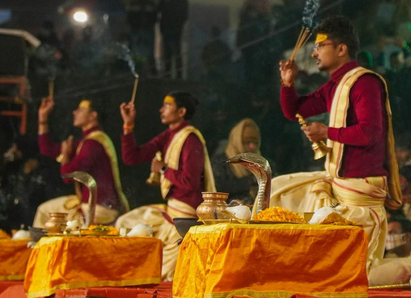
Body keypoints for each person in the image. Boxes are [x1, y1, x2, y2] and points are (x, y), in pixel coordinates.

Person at [272, 15, 401, 265]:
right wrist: (287, 83)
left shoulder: (365, 82)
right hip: (340, 186)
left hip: (359, 193)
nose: (314, 53)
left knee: (356, 274)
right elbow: (294, 110)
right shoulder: (335, 85)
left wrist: (326, 132)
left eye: (320, 46)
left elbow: (370, 133)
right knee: (279, 190)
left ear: (341, 49)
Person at [116, 91, 215, 279]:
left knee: (165, 275)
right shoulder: (168, 136)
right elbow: (132, 157)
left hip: (185, 218)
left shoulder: (190, 139)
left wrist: (163, 169)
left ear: (181, 112)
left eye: (167, 105)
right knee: (124, 223)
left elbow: (190, 183)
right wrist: (128, 124)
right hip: (170, 213)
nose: (161, 110)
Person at [33, 98, 128, 227]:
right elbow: (47, 149)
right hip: (89, 205)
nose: (74, 112)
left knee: (44, 211)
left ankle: (41, 247)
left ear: (93, 115)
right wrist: (43, 118)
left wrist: (66, 156)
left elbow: (68, 176)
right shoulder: (86, 142)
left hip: (100, 209)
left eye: (80, 110)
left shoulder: (94, 144)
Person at [212, 119, 262, 204]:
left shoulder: (264, 164)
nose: (252, 147)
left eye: (256, 143)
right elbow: (217, 188)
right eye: (247, 142)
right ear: (236, 141)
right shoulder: (220, 163)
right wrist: (248, 182)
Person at [158, 0, 189, 79]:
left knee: (172, 52)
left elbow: (184, 16)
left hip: (173, 29)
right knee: (173, 53)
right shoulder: (178, 0)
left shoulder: (178, 0)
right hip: (172, 29)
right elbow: (159, 8)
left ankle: (172, 74)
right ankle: (174, 74)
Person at [126, 0, 157, 74]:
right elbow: (129, 16)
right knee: (137, 50)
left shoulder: (149, 3)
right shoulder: (134, 3)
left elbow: (154, 17)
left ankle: (149, 70)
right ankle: (137, 69)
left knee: (148, 51)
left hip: (145, 30)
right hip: (138, 29)